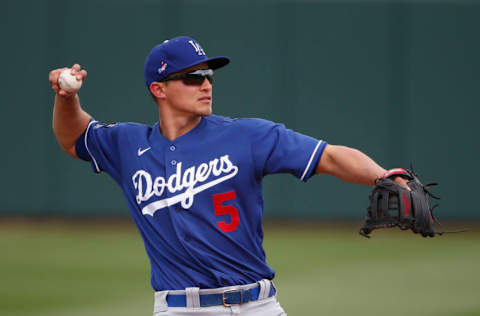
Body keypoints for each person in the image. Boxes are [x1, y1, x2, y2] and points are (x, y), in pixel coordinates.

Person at [49, 36, 409, 316]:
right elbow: (73, 137)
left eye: (208, 75)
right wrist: (66, 99)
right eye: (192, 77)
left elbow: (329, 156)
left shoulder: (246, 136)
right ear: (158, 89)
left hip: (258, 305)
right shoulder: (127, 145)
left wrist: (386, 176)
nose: (206, 84)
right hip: (179, 307)